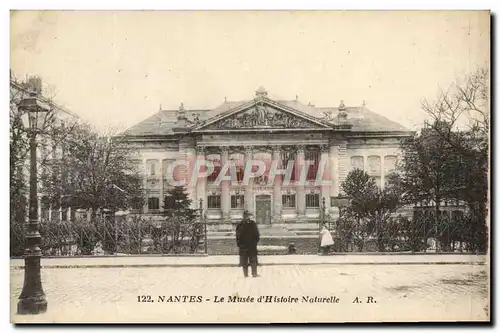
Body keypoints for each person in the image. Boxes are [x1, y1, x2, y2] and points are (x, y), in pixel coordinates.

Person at [236, 210, 260, 277]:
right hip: (243, 246)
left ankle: (254, 273)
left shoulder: (253, 224)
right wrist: (239, 244)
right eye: (245, 215)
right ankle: (245, 274)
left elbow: (257, 235)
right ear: (243, 216)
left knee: (253, 260)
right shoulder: (240, 225)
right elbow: (237, 236)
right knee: (244, 261)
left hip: (252, 246)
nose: (246, 217)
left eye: (248, 215)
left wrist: (255, 243)